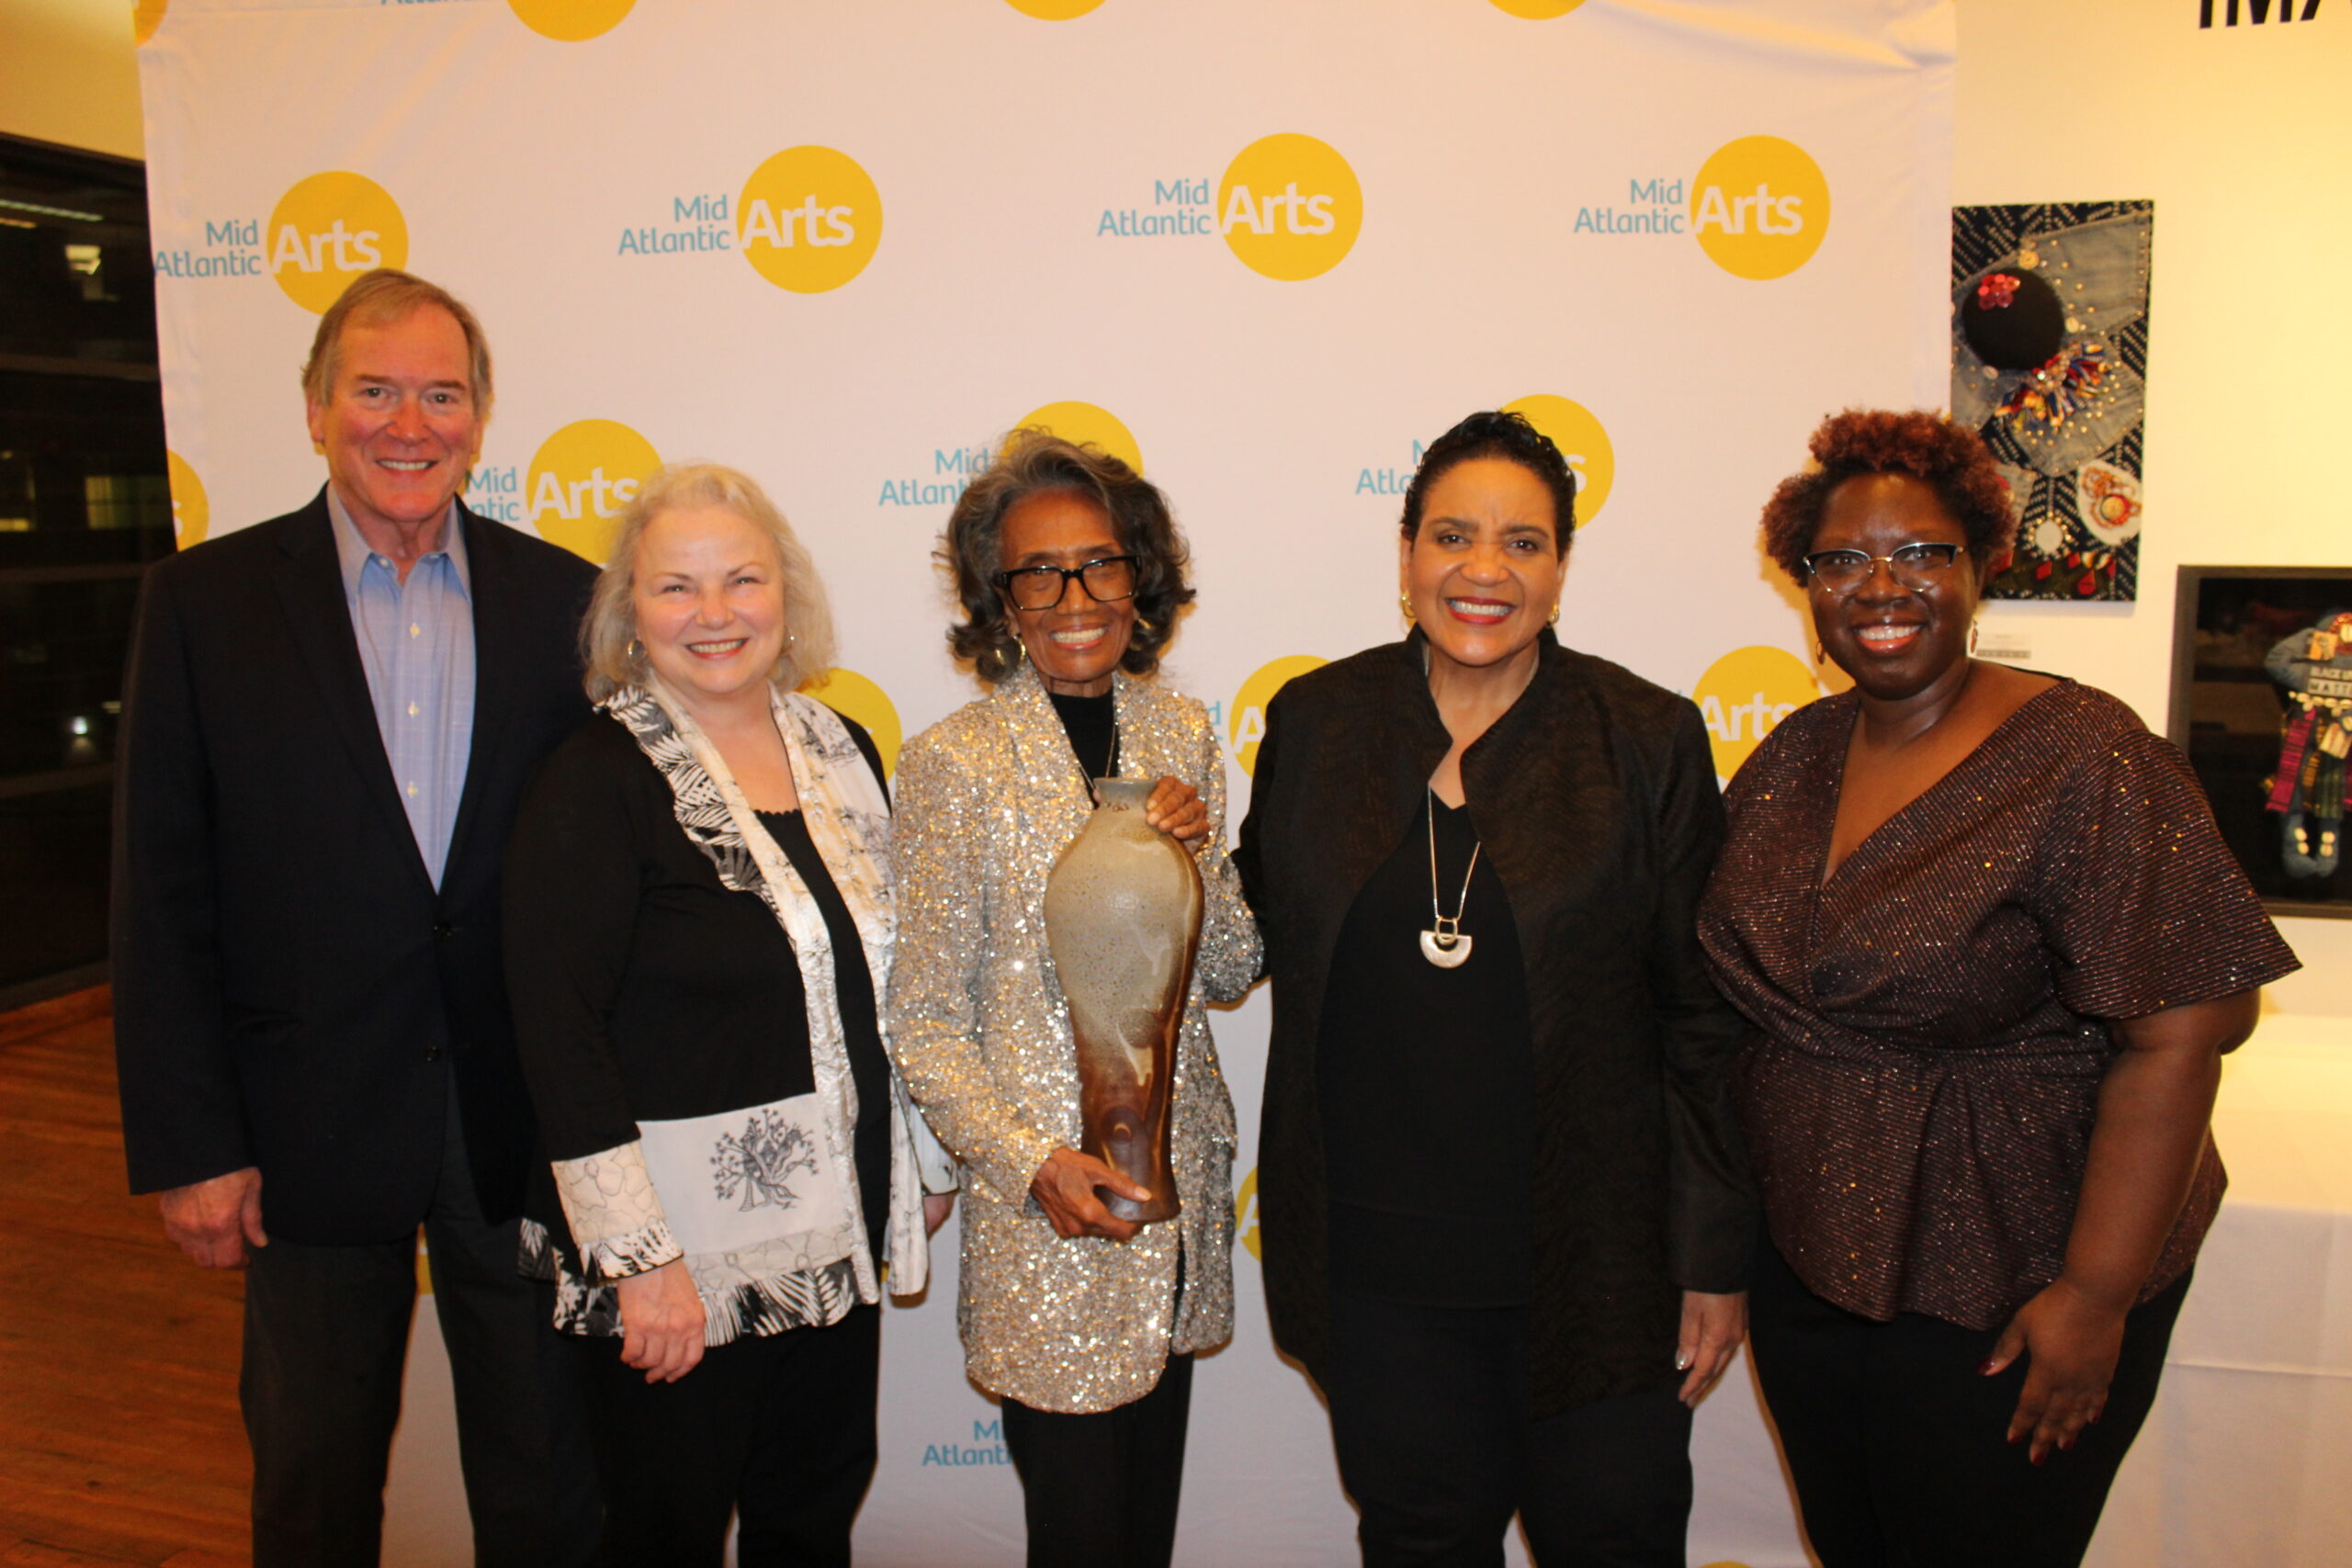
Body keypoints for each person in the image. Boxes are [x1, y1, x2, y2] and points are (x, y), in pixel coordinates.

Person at [1697, 410, 2301, 1568]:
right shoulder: (1795, 756)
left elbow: (2180, 1038)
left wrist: (2095, 1294)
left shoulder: (2087, 753)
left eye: (1922, 552)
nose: (1881, 586)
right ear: (1804, 585)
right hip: (1814, 1257)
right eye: (1841, 561)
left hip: (2015, 1271)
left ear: (1980, 565)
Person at [109, 268, 599, 1566]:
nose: (408, 422)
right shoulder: (204, 603)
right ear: (318, 407)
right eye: (375, 389)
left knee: (548, 1481)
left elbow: (604, 883)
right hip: (302, 1124)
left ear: (481, 418)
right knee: (314, 1486)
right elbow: (160, 892)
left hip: (520, 1123)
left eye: (441, 393)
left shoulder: (568, 602)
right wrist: (188, 1141)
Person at [1235, 410, 1756, 1567]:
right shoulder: (1317, 724)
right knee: (1418, 1540)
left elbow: (1702, 1017)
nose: (1482, 571)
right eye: (1452, 536)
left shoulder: (1645, 737)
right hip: (1383, 1275)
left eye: (1521, 543)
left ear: (1561, 569)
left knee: (1612, 1537)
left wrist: (1711, 1256)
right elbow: (1241, 925)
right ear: (1406, 551)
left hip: (1599, 1266)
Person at [501, 463, 957, 1565]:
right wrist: (639, 1262)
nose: (714, 614)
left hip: (829, 1240)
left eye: (741, 580)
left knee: (810, 1520)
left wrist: (917, 1169)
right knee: (667, 1531)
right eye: (676, 588)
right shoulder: (594, 777)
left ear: (785, 597)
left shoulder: (837, 745)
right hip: (679, 1271)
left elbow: (879, 976)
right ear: (629, 614)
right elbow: (554, 1031)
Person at [888, 430, 1259, 1568]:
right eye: (1036, 573)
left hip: (1171, 1198)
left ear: (1137, 578)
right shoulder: (952, 763)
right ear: (998, 601)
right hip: (1050, 1216)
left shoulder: (1180, 734)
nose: (1072, 597)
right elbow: (925, 1019)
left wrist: (1202, 862)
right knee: (1081, 1540)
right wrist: (1024, 1159)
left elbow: (1234, 971)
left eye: (1098, 564)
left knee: (1141, 1539)